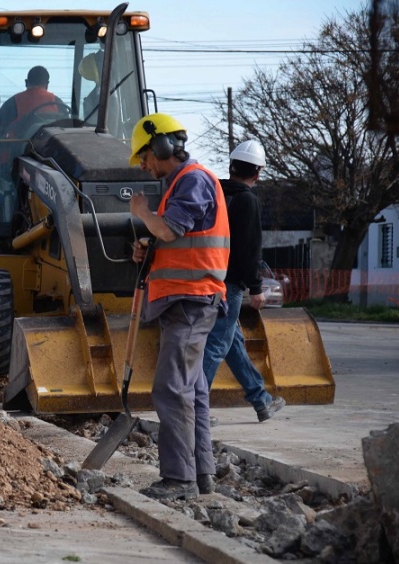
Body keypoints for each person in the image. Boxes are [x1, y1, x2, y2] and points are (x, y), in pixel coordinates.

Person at [127, 113, 230, 501]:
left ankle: (178, 480)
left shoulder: (193, 179)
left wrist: (143, 214)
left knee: (171, 389)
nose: (143, 166)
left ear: (161, 146)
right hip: (185, 300)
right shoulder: (179, 184)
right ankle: (201, 475)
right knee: (193, 390)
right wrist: (148, 249)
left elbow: (170, 229)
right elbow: (175, 238)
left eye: (144, 156)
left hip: (192, 300)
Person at [203, 140, 285, 424]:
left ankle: (261, 400)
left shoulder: (214, 193)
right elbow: (250, 249)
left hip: (207, 279)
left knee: (232, 341)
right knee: (217, 344)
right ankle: (194, 410)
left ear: (231, 166)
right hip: (230, 284)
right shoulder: (247, 201)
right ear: (257, 173)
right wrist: (256, 288)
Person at [0, 65, 66, 136]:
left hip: (22, 143)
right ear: (47, 84)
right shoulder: (58, 103)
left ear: (26, 82)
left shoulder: (11, 103)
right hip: (51, 142)